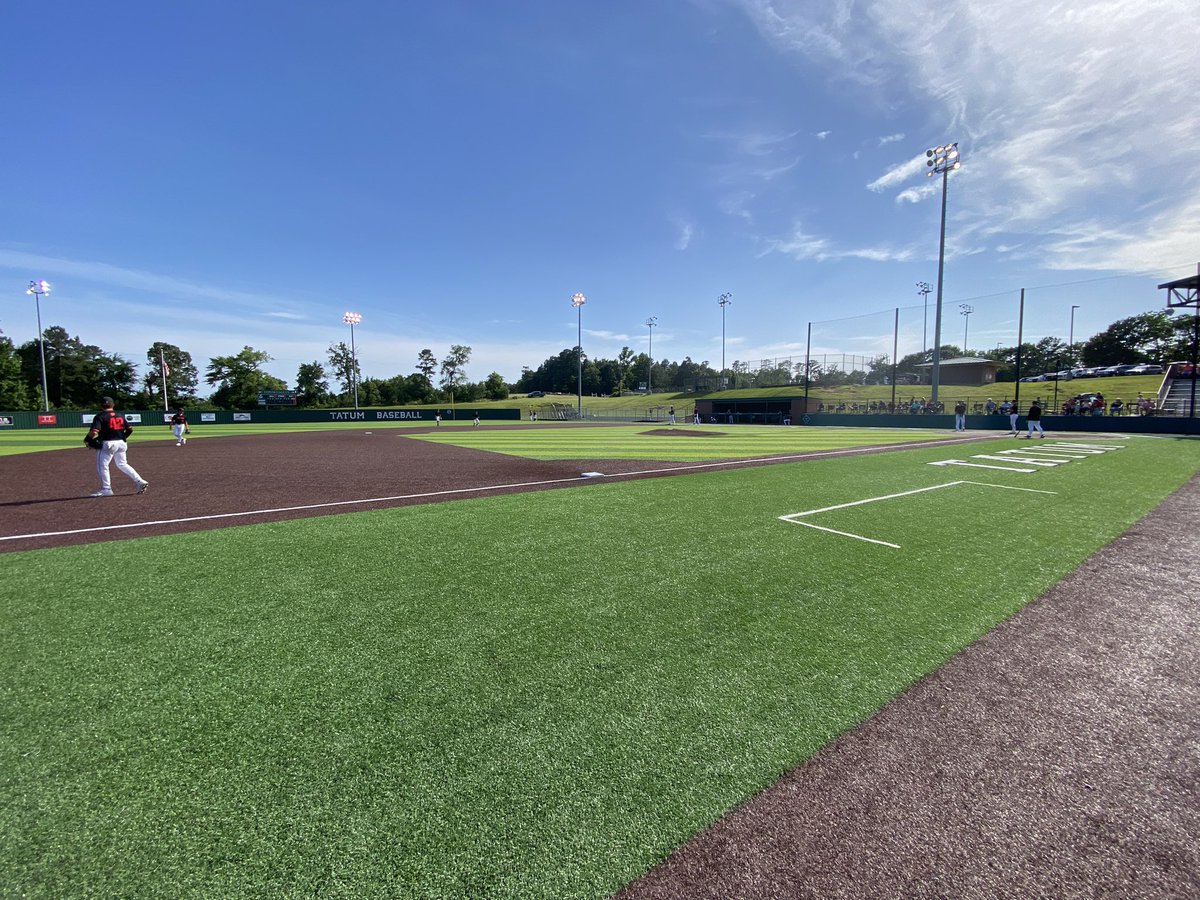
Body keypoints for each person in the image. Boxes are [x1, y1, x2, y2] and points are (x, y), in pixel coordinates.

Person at [85, 397, 149, 497]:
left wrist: (87, 439)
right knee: (122, 464)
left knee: (102, 466)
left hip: (108, 444)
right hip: (121, 443)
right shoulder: (120, 415)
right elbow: (130, 429)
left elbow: (94, 431)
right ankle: (140, 481)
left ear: (101, 405)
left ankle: (107, 489)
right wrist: (122, 437)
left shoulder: (100, 416)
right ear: (113, 405)